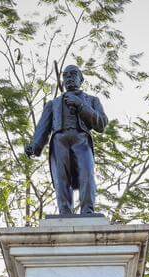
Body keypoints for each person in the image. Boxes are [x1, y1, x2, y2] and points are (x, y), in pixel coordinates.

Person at [22, 64, 109, 215]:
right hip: (59, 141)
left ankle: (88, 211)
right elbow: (43, 127)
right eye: (65, 75)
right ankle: (64, 211)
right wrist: (35, 146)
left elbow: (101, 124)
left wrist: (81, 106)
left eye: (73, 74)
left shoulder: (92, 100)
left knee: (86, 174)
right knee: (61, 178)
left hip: (82, 140)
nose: (69, 78)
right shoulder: (53, 104)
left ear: (81, 79)